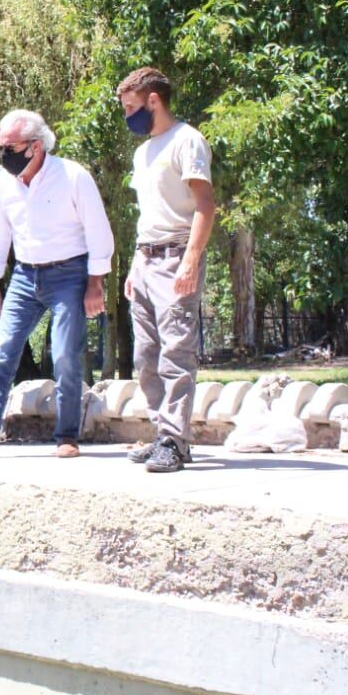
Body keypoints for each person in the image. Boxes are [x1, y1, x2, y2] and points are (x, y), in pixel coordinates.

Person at [0, 109, 114, 459]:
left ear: (35, 146)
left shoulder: (73, 176)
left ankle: (67, 436)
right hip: (24, 275)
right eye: (1, 146)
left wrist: (95, 283)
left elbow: (99, 231)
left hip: (69, 273)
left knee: (66, 354)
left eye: (10, 146)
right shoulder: (5, 182)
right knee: (2, 351)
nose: (3, 153)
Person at [117, 67, 215, 473]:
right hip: (145, 259)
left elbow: (205, 205)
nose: (128, 116)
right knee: (145, 355)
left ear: (153, 100)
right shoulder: (144, 152)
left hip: (176, 257)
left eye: (131, 107)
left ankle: (175, 440)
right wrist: (134, 266)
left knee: (176, 352)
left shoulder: (187, 140)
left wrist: (190, 261)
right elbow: (149, 213)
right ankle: (163, 434)